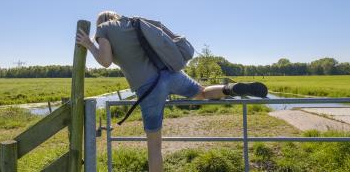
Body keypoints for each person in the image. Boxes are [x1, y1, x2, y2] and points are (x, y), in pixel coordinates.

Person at [76, 11, 268, 172]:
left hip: (148, 88)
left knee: (154, 145)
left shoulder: (104, 29)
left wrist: (90, 44)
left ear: (100, 22)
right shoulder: (132, 23)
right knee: (201, 92)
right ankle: (231, 88)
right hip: (169, 73)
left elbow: (105, 61)